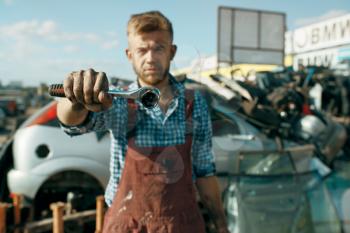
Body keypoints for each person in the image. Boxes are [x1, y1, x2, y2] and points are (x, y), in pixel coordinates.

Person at [57, 10, 229, 233]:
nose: (150, 57)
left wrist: (222, 226)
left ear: (172, 51)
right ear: (130, 54)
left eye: (159, 48)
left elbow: (205, 172)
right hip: (127, 225)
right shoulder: (117, 102)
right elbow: (73, 123)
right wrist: (77, 101)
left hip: (182, 225)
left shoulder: (194, 104)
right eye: (142, 49)